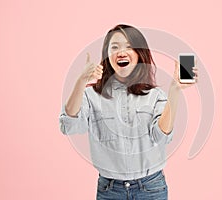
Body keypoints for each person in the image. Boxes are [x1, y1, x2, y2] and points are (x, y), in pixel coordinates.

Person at [59, 24, 198, 200]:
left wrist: (175, 90)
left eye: (129, 46)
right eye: (114, 47)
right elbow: (68, 126)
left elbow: (161, 137)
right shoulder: (91, 95)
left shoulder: (154, 96)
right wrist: (80, 82)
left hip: (151, 188)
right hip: (109, 190)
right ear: (107, 55)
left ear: (139, 54)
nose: (121, 52)